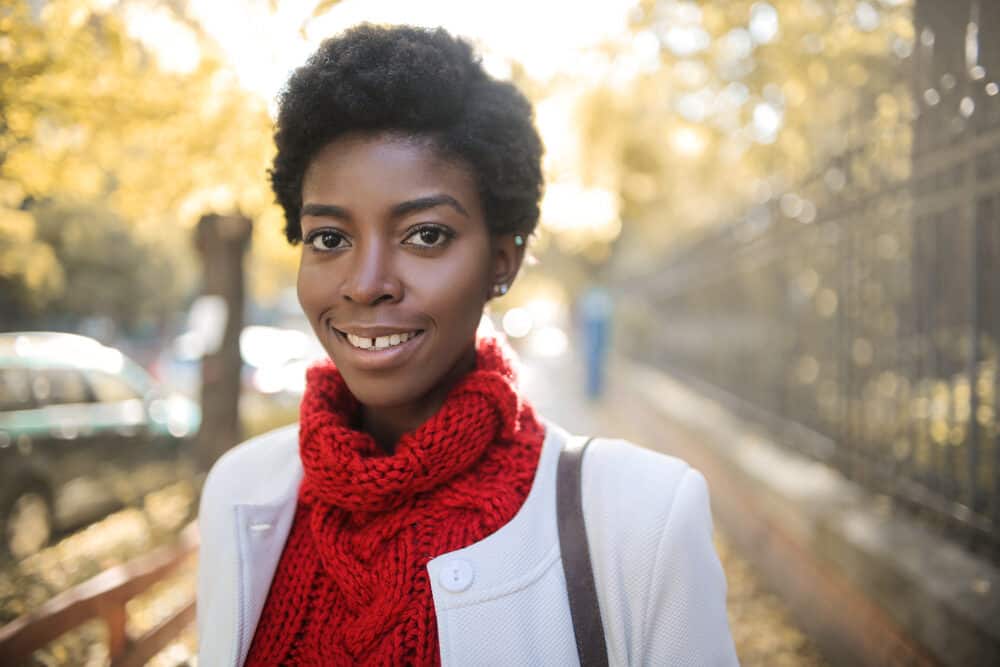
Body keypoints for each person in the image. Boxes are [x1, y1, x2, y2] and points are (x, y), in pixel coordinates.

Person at [196, 24, 738, 666]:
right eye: (330, 239)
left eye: (424, 235)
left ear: (501, 262)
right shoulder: (240, 492)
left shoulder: (642, 520)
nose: (365, 285)